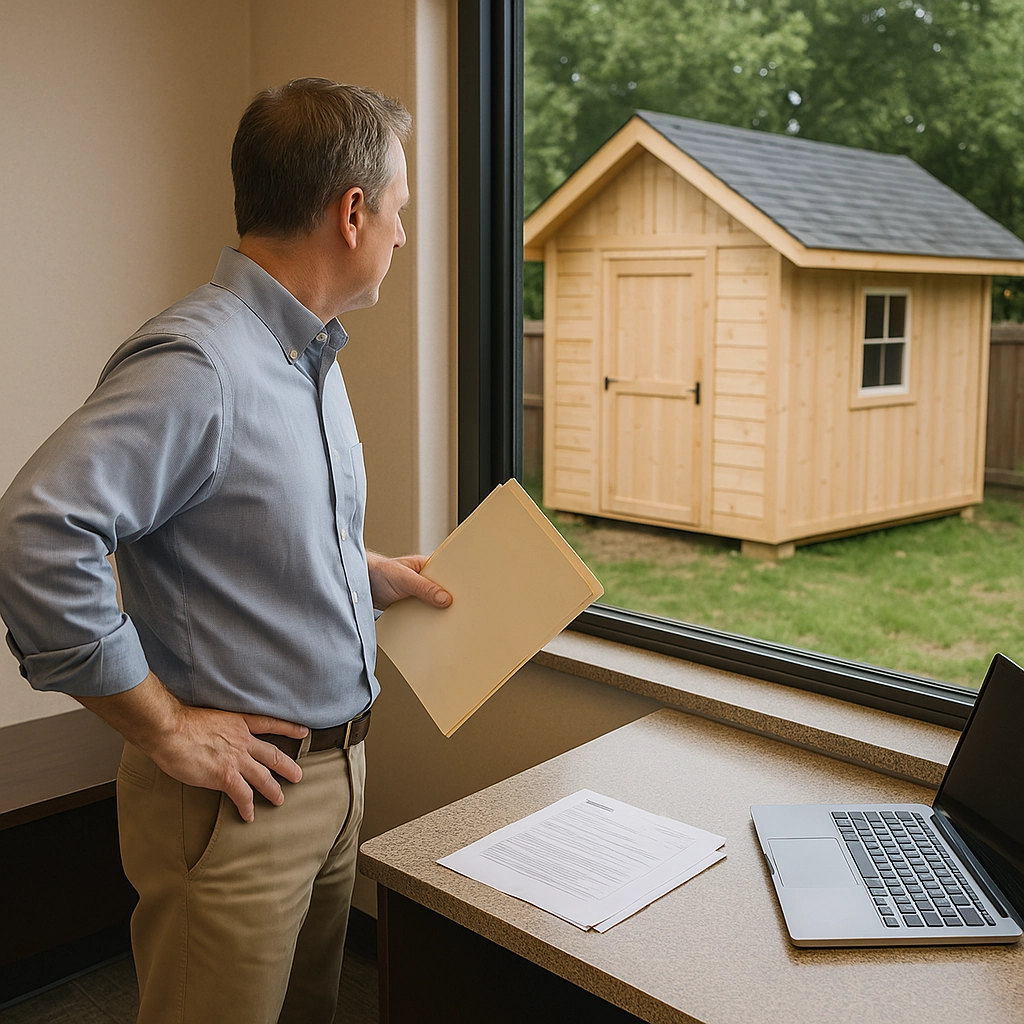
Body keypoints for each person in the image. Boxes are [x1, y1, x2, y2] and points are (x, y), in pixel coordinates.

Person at [0, 78, 449, 1024]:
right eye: (400, 211)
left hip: (331, 781)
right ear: (353, 211)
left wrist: (365, 572)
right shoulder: (199, 365)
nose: (404, 236)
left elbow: (241, 534)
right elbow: (36, 534)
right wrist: (163, 727)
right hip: (236, 805)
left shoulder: (308, 359)